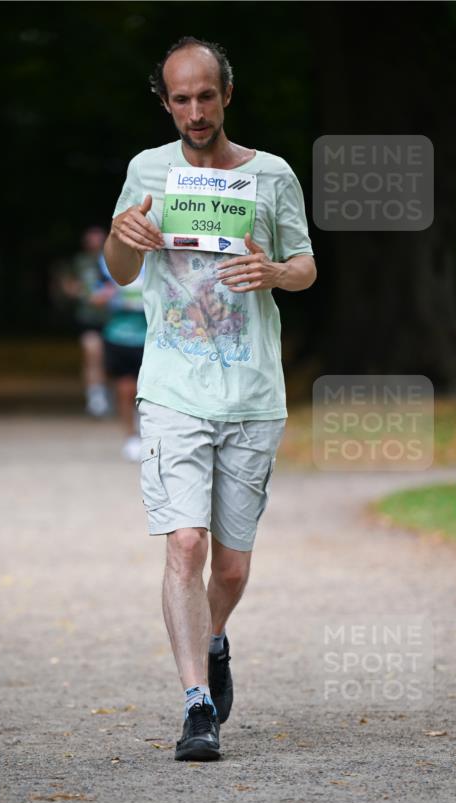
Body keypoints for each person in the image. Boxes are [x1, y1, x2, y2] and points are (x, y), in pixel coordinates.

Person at [105, 37, 316, 761]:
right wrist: (123, 234)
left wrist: (273, 274)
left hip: (252, 391)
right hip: (172, 388)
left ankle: (215, 637)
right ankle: (197, 704)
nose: (194, 111)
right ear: (164, 103)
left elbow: (305, 265)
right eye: (180, 99)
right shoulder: (147, 170)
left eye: (205, 96)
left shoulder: (272, 175)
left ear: (227, 94)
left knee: (228, 567)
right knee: (184, 543)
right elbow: (121, 267)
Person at [90, 257, 147, 461]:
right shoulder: (108, 264)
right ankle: (130, 437)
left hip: (151, 339)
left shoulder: (157, 259)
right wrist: (111, 295)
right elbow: (95, 297)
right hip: (118, 337)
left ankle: (147, 436)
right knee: (125, 389)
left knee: (147, 391)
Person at [56, 226, 112, 418]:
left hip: (114, 317)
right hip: (88, 317)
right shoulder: (79, 262)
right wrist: (82, 293)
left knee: (110, 358)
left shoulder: (114, 259)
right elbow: (68, 284)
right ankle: (96, 396)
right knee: (92, 353)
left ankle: (115, 394)